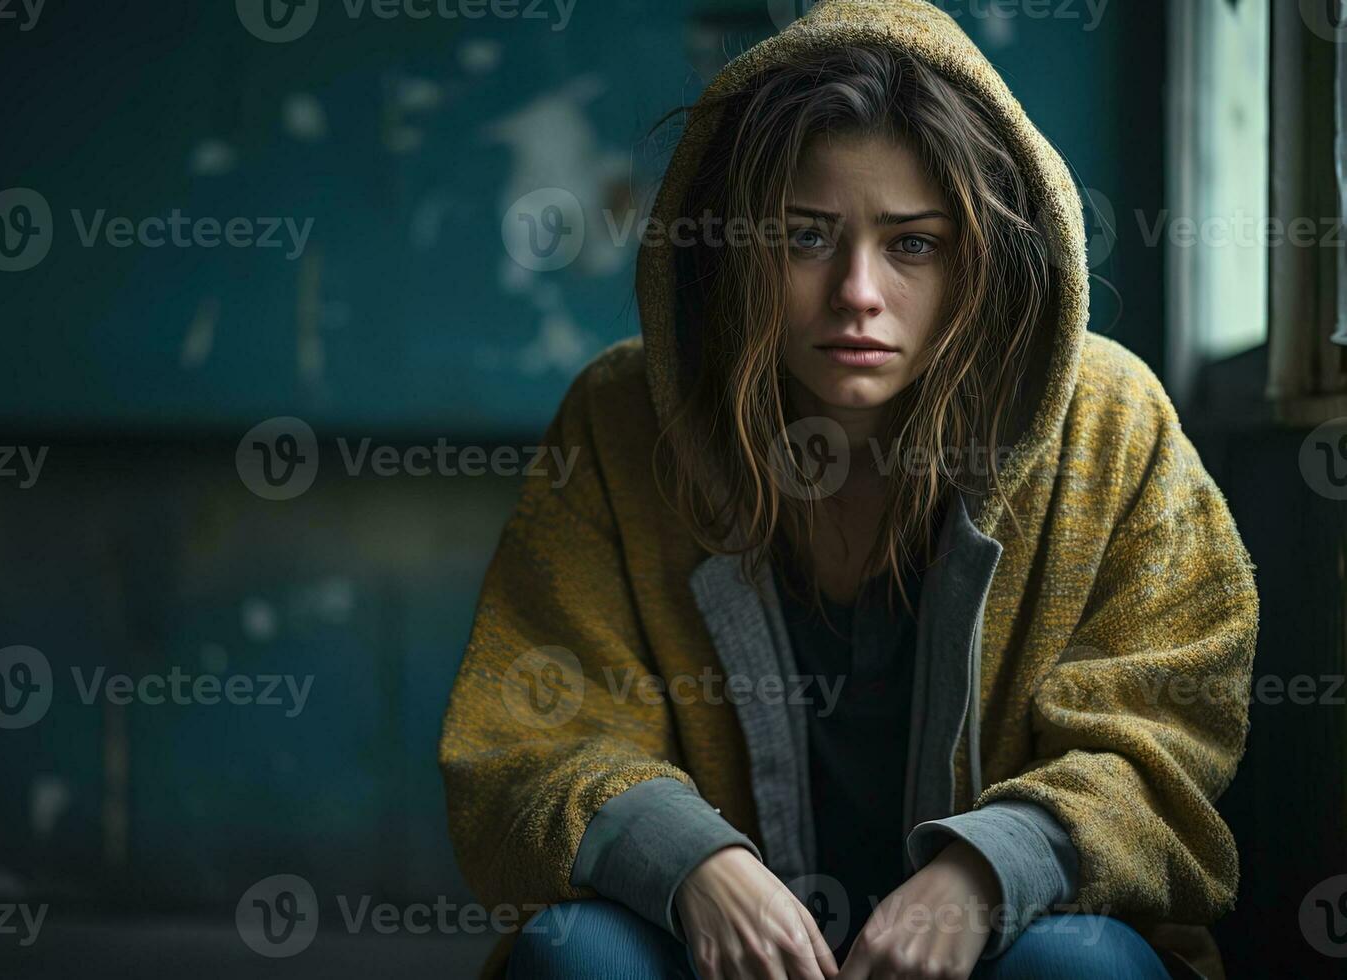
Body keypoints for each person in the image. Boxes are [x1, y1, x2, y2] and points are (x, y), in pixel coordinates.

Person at [439, 2, 1259, 978]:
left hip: (1005, 950)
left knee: (1079, 963)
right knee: (575, 953)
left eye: (913, 243)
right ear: (737, 246)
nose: (857, 291)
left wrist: (985, 874)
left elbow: (1167, 739)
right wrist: (692, 863)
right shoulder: (623, 422)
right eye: (805, 237)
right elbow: (528, 732)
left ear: (981, 256)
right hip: (713, 957)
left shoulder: (1110, 423)